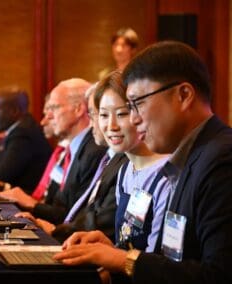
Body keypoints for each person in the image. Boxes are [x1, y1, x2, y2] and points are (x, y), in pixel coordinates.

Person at [54, 41, 232, 284]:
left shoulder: (222, 159)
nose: (135, 119)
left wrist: (121, 260)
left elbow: (218, 276)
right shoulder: (192, 156)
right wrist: (117, 252)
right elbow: (172, 257)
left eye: (137, 104)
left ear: (184, 95)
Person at [0, 79, 107, 225]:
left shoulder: (94, 150)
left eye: (54, 107)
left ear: (78, 109)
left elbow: (71, 215)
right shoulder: (75, 148)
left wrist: (33, 205)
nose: (48, 117)